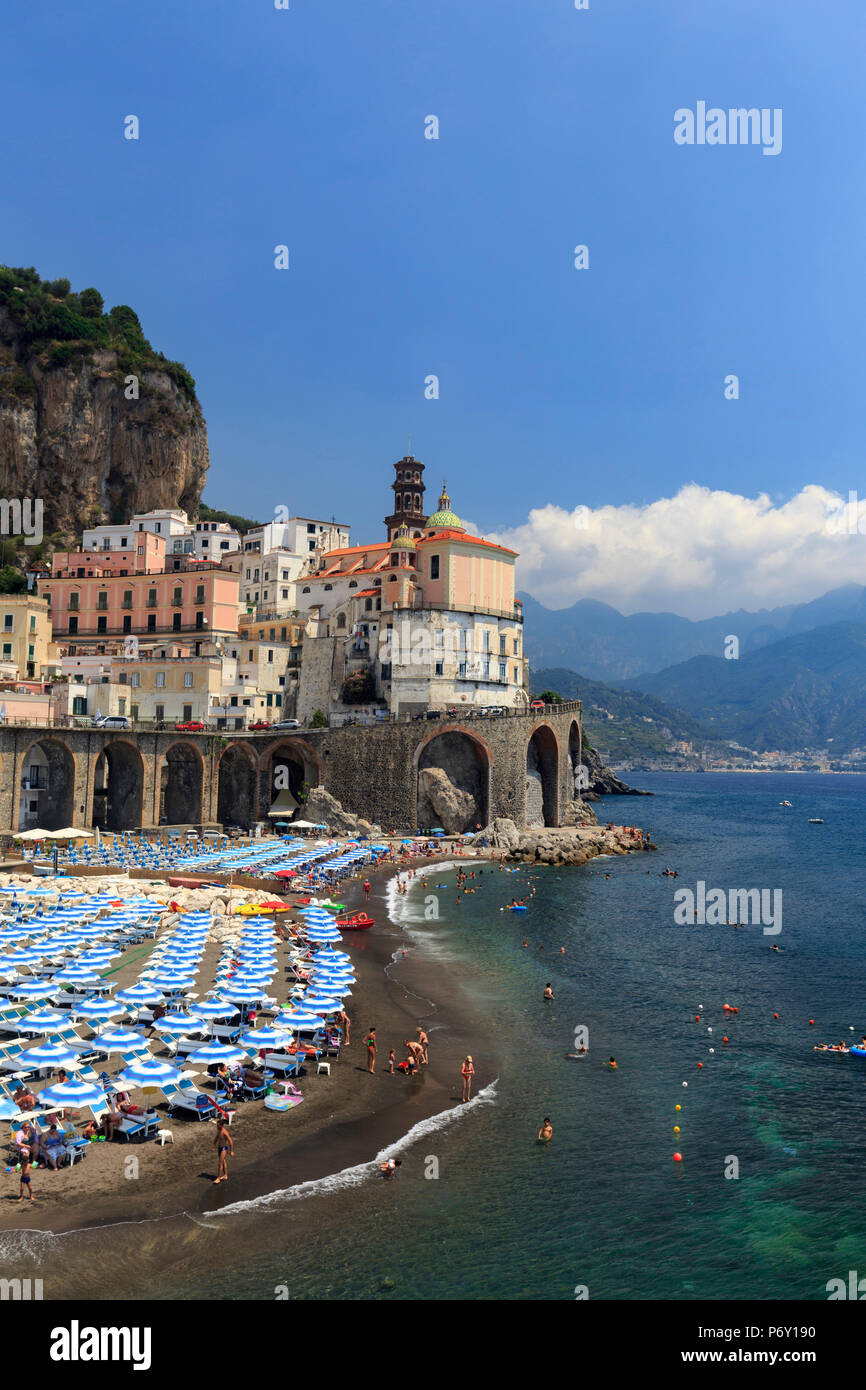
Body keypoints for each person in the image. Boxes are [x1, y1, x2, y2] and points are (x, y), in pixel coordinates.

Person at [213, 1115, 233, 1184]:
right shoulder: (218, 1130)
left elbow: (230, 1141)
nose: (216, 1126)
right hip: (219, 1147)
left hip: (224, 1148)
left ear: (221, 1126)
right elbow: (216, 1137)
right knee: (223, 1162)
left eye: (217, 1125)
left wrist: (231, 1151)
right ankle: (225, 1175)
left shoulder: (225, 1132)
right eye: (216, 1125)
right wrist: (214, 1144)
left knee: (220, 1163)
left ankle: (218, 1178)